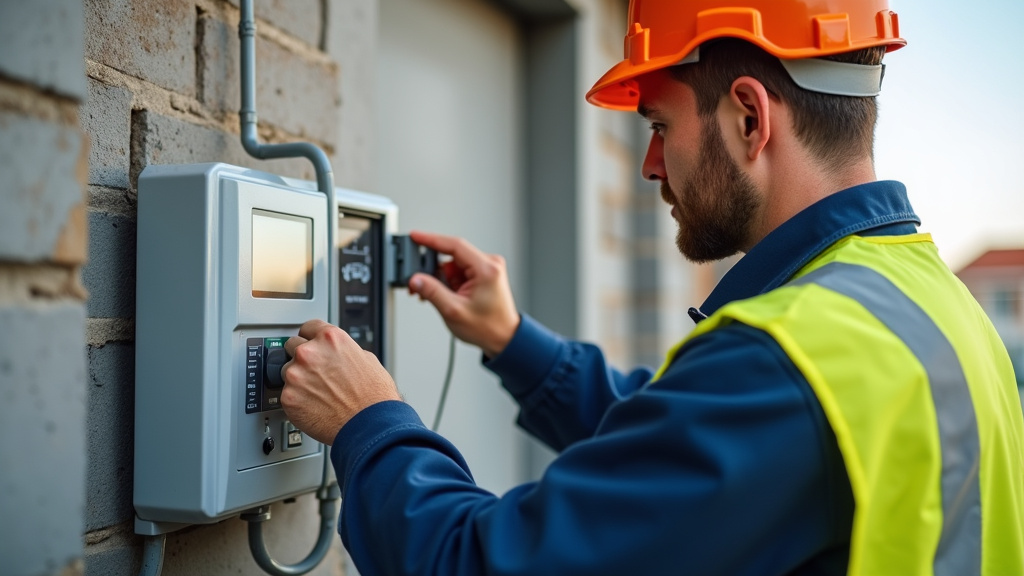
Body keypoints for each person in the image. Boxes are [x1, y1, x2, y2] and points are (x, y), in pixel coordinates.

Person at [280, 1, 1024, 574]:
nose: (649, 165)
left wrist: (368, 423)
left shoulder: (783, 360)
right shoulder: (933, 304)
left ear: (749, 117)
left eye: (660, 126)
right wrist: (514, 341)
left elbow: (477, 562)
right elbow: (683, 450)